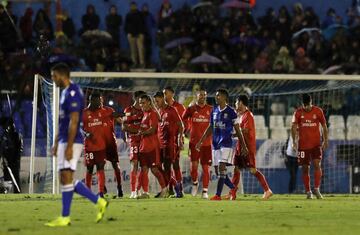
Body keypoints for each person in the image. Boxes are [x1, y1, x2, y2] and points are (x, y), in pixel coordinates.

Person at [45, 63, 108, 227]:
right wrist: (56, 142)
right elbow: (63, 121)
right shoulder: (65, 93)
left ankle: (65, 217)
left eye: (54, 76)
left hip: (73, 140)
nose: (53, 79)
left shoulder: (73, 92)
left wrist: (69, 146)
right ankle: (98, 202)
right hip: (64, 139)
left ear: (62, 75)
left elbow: (74, 121)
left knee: (66, 177)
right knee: (65, 178)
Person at [196, 88, 247, 201]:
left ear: (224, 97)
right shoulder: (214, 110)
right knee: (217, 171)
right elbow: (210, 127)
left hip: (226, 144)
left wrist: (244, 145)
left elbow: (238, 130)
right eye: (216, 95)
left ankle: (218, 195)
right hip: (215, 144)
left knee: (221, 167)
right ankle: (233, 188)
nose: (216, 97)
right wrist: (201, 141)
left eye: (218, 95)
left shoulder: (231, 112)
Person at [229, 95, 273, 200]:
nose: (235, 104)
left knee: (252, 170)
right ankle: (232, 193)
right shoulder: (241, 115)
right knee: (236, 169)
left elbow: (245, 130)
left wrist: (233, 134)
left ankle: (267, 190)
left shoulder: (248, 115)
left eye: (236, 102)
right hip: (240, 146)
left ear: (240, 103)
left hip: (247, 147)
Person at [291, 93, 328, 199]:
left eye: (308, 105)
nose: (306, 107)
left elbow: (324, 126)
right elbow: (293, 127)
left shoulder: (318, 111)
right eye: (305, 105)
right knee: (305, 168)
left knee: (317, 165)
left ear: (311, 102)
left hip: (316, 145)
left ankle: (316, 189)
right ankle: (308, 192)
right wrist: (294, 142)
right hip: (303, 146)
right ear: (302, 104)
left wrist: (325, 140)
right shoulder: (298, 113)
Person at [182, 88, 212, 199]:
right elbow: (182, 120)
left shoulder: (211, 109)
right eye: (200, 95)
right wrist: (186, 131)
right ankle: (195, 183)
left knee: (205, 168)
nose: (202, 97)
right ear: (197, 96)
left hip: (207, 144)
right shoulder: (191, 109)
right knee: (193, 167)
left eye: (204, 95)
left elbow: (214, 124)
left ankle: (205, 191)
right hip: (194, 143)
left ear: (206, 96)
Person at [153, 91, 184, 198]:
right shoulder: (158, 111)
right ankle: (168, 189)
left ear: (162, 98)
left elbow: (181, 125)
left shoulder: (172, 110)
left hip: (169, 144)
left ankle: (174, 190)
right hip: (159, 145)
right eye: (155, 101)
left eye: (157, 101)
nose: (156, 103)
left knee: (167, 167)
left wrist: (180, 138)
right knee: (157, 167)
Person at [137, 94, 168, 198]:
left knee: (154, 170)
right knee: (144, 170)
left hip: (152, 147)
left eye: (143, 102)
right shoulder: (145, 113)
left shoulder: (153, 114)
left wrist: (141, 133)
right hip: (143, 147)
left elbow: (153, 129)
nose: (141, 105)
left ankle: (164, 189)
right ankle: (145, 192)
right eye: (140, 103)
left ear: (149, 102)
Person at [122, 90, 146, 198]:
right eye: (141, 98)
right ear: (136, 98)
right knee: (134, 164)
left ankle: (139, 189)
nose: (142, 101)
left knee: (143, 165)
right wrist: (136, 130)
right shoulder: (129, 110)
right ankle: (133, 191)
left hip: (145, 141)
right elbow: (124, 126)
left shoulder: (146, 111)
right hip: (133, 141)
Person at [82, 93, 107, 197]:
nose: (99, 103)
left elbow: (112, 116)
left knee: (100, 167)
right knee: (90, 168)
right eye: (97, 101)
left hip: (101, 146)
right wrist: (86, 133)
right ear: (91, 101)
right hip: (89, 146)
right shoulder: (84, 113)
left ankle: (101, 192)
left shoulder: (102, 111)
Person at [163, 86, 186, 196]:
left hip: (175, 141)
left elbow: (184, 124)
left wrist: (181, 138)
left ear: (172, 94)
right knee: (166, 165)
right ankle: (171, 188)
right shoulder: (162, 108)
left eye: (165, 93)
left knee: (175, 164)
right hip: (165, 141)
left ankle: (179, 188)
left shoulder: (180, 107)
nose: (164, 95)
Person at [101, 96, 124, 198]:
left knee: (115, 165)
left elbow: (119, 120)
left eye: (101, 100)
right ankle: (102, 188)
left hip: (110, 142)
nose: (99, 102)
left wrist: (125, 120)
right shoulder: (92, 113)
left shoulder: (109, 110)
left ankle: (119, 187)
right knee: (100, 166)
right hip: (99, 143)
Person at [0, 117, 23, 193]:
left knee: (16, 178)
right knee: (7, 179)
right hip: (7, 161)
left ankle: (18, 193)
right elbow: (2, 148)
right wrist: (4, 158)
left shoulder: (16, 136)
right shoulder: (4, 137)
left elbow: (19, 149)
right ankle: (7, 193)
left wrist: (14, 160)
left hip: (14, 162)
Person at [124, 1, 146, 67]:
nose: (133, 7)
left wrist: (141, 33)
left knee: (140, 50)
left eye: (134, 5)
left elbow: (142, 24)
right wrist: (129, 33)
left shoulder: (140, 14)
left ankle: (142, 63)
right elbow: (126, 26)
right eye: (132, 6)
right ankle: (134, 63)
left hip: (139, 35)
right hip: (131, 35)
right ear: (130, 7)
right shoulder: (128, 15)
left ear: (136, 6)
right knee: (133, 50)